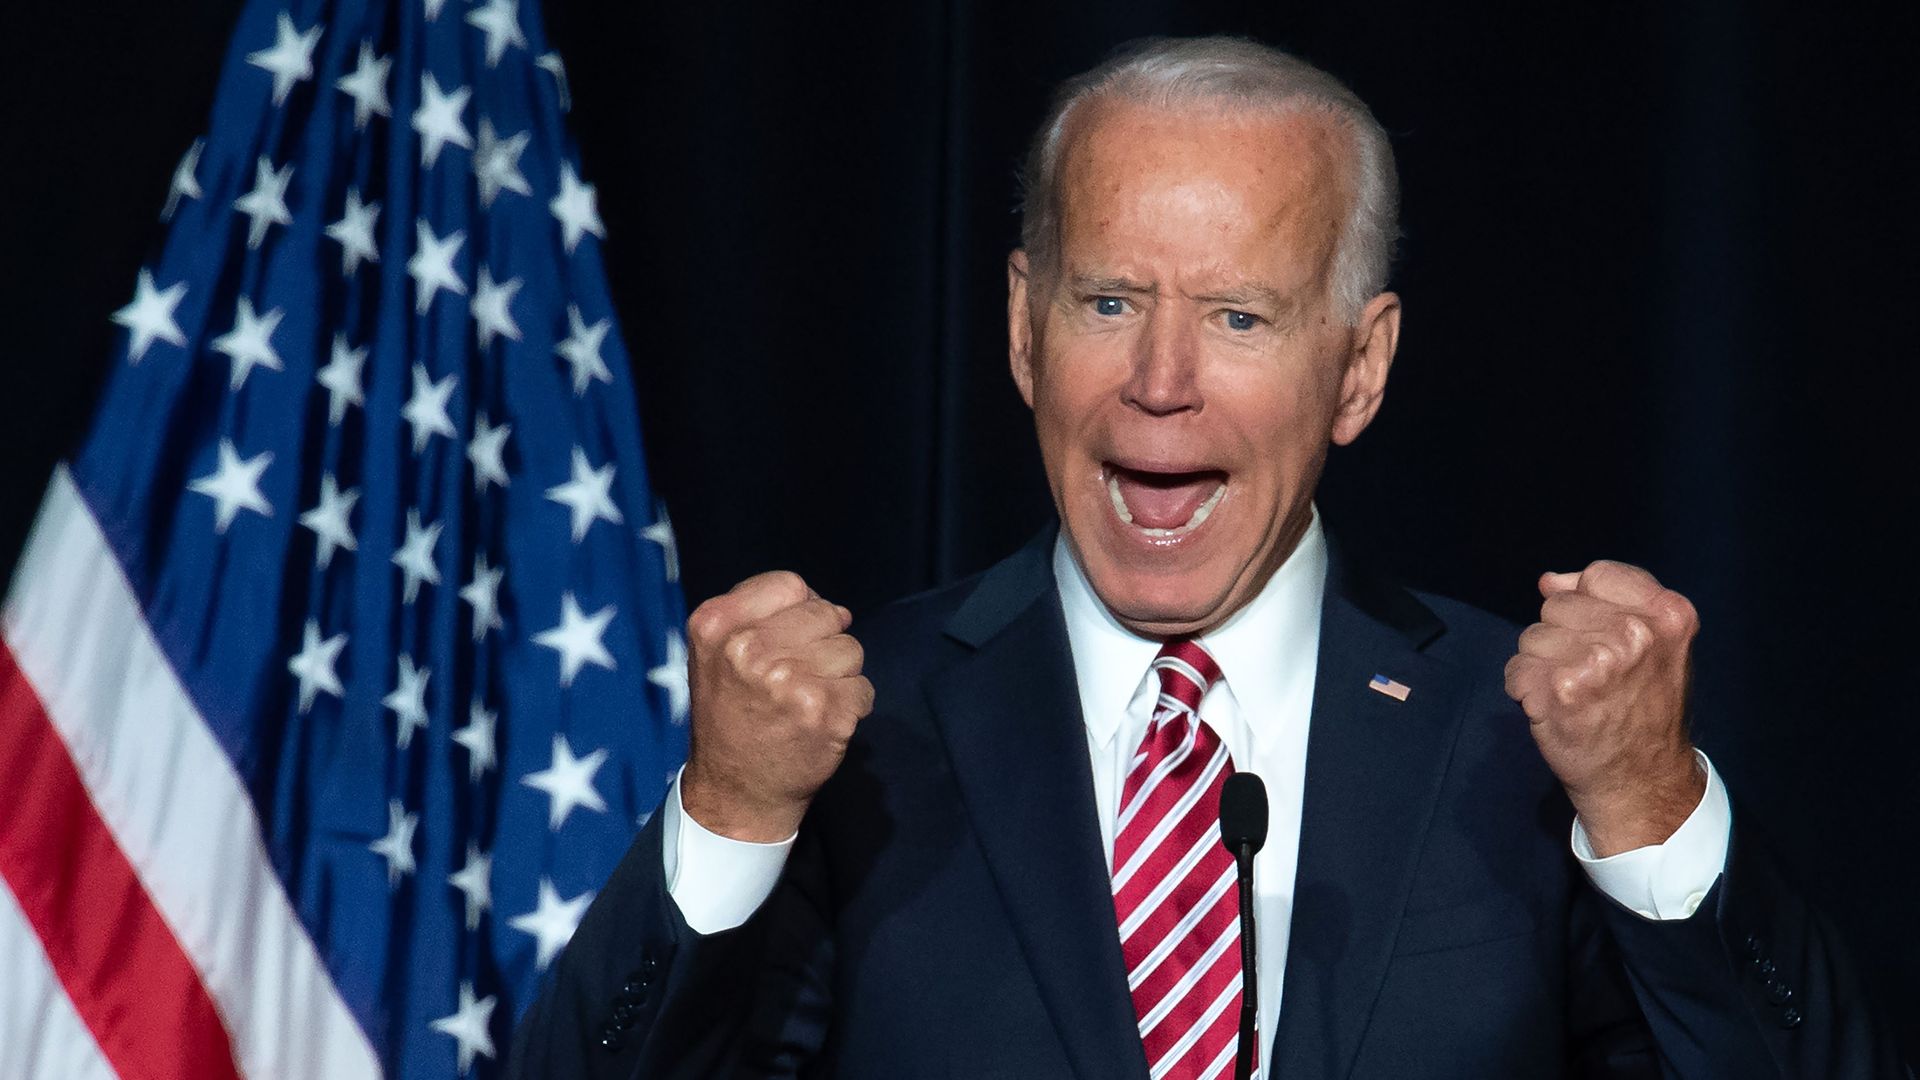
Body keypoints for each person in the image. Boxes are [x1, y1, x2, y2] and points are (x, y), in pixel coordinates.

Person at [509, 36, 1902, 1079]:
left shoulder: (1525, 744)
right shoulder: (861, 737)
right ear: (1021, 328)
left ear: (1359, 371)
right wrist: (731, 816)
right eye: (1109, 299)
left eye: (1239, 318)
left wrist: (1653, 809)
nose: (1160, 381)